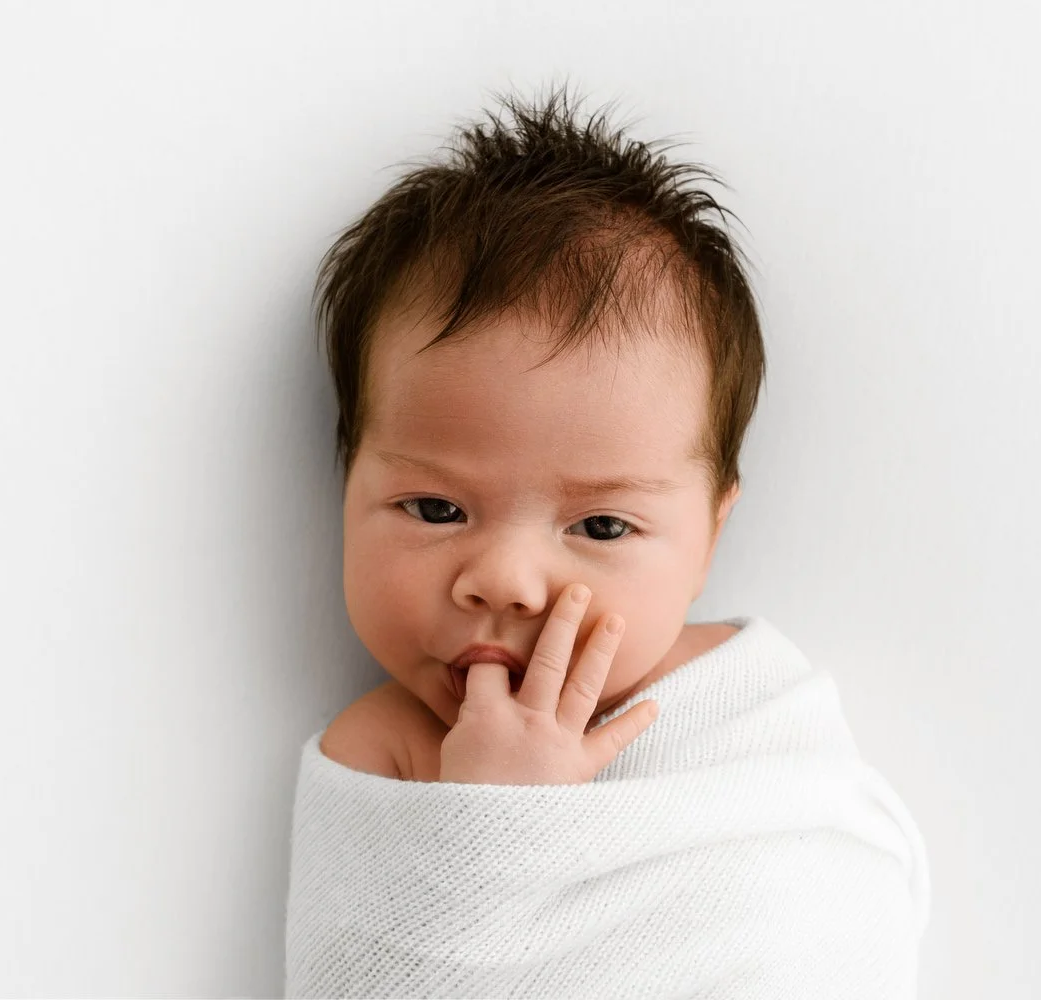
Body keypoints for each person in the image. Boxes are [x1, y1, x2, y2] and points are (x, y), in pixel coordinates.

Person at [313, 80, 763, 783]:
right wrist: (502, 812)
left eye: (603, 526)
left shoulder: (750, 704)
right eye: (435, 509)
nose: (505, 584)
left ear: (710, 537)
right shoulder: (380, 755)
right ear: (349, 487)